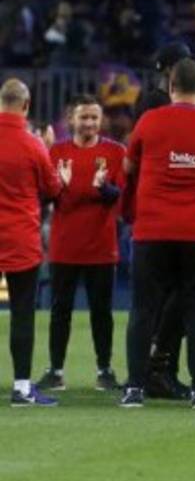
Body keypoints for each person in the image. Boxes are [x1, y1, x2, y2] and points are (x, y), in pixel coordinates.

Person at [120, 59, 195, 409]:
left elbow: (128, 166)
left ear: (171, 87)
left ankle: (134, 388)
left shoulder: (149, 121)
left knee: (143, 308)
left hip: (151, 228)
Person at [41, 95, 126, 392]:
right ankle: (55, 371)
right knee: (59, 311)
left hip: (101, 247)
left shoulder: (115, 152)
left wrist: (103, 188)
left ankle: (105, 370)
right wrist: (59, 184)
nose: (89, 123)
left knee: (101, 313)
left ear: (101, 120)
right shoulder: (56, 152)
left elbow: (119, 196)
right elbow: (45, 196)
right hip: (64, 247)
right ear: (71, 119)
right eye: (84, 117)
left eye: (94, 117)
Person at [0, 79, 65, 406]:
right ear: (26, 106)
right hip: (20, 238)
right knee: (22, 312)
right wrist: (53, 158)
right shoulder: (33, 144)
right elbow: (53, 189)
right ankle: (22, 388)